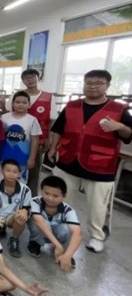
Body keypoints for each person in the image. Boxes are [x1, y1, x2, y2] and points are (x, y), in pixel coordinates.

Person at [48, 69, 132, 253]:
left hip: (100, 165)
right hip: (67, 160)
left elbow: (129, 134)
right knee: (59, 197)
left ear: (107, 86)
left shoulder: (118, 109)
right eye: (89, 83)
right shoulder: (72, 106)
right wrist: (53, 148)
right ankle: (59, 229)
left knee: (98, 206)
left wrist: (119, 126)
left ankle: (97, 236)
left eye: (98, 83)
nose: (92, 86)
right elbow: (58, 129)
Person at [1, 69, 58, 195]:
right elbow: (7, 116)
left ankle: (30, 197)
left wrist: (49, 138)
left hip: (38, 140)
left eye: (33, 77)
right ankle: (9, 194)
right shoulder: (17, 95)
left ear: (38, 78)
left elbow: (52, 120)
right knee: (13, 169)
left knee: (33, 171)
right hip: (15, 142)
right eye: (27, 78)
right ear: (23, 81)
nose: (30, 80)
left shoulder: (49, 97)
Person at [27, 176, 82, 272]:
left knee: (67, 229)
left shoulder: (68, 210)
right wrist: (57, 245)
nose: (50, 198)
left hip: (55, 234)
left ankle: (64, 252)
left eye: (55, 196)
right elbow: (39, 221)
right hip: (41, 231)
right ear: (41, 190)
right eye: (46, 193)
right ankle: (35, 243)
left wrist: (68, 255)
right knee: (39, 221)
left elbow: (78, 233)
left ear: (64, 196)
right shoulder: (35, 201)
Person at [0, 160, 32, 258]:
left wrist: (24, 212)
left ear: (19, 174)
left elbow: (26, 208)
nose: (11, 174)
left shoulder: (25, 190)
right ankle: (0, 228)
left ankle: (14, 239)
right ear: (2, 171)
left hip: (13, 216)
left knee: (21, 218)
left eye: (15, 172)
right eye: (8, 170)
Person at [0, 91, 42, 181]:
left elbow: (35, 141)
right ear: (12, 104)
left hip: (22, 158)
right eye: (17, 102)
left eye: (24, 102)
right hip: (4, 156)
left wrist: (32, 158)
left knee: (20, 183)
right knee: (3, 181)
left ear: (29, 105)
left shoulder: (32, 120)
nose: (20, 105)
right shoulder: (4, 118)